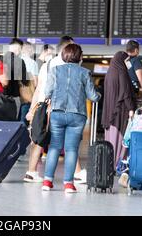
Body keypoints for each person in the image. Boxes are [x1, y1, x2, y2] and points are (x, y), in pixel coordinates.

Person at [24, 35, 86, 183]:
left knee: (40, 138)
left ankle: (31, 172)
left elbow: (39, 88)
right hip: (59, 107)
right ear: (67, 48)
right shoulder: (68, 66)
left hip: (42, 106)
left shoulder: (47, 64)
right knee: (70, 139)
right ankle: (77, 173)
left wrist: (32, 109)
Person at [42, 43, 100, 193]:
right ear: (79, 57)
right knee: (71, 149)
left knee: (54, 147)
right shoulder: (84, 73)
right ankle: (68, 184)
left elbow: (47, 92)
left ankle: (47, 182)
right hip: (77, 115)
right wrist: (99, 94)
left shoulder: (55, 70)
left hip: (57, 113)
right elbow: (93, 96)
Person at [101, 51, 136, 168]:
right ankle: (118, 163)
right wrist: (131, 108)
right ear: (121, 60)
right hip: (120, 111)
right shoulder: (122, 72)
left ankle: (109, 164)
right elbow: (125, 93)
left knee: (110, 138)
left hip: (109, 111)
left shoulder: (110, 72)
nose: (128, 63)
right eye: (127, 61)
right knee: (120, 138)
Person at [3, 38, 30, 118]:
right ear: (19, 48)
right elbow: (25, 81)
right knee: (12, 124)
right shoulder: (19, 61)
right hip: (13, 98)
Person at [19, 42, 39, 125]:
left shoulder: (16, 60)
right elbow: (35, 82)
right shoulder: (32, 63)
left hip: (15, 98)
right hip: (27, 98)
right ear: (29, 49)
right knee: (24, 123)